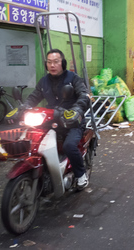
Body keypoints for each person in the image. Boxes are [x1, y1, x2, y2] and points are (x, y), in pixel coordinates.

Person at [22, 49, 90, 190]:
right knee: (32, 142)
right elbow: (34, 97)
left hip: (72, 121)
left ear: (63, 63)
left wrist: (76, 110)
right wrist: (24, 107)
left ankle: (81, 175)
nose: (52, 65)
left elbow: (83, 96)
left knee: (69, 146)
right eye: (49, 62)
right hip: (50, 120)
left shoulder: (73, 78)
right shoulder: (44, 81)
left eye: (56, 62)